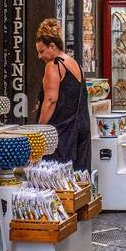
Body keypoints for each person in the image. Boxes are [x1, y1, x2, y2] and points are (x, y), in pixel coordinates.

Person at [35, 18, 92, 171]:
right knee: (79, 177)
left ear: (52, 46)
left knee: (56, 177)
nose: (40, 56)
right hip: (82, 127)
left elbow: (50, 100)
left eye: (42, 51)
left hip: (62, 132)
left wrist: (39, 129)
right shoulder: (75, 64)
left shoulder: (53, 66)